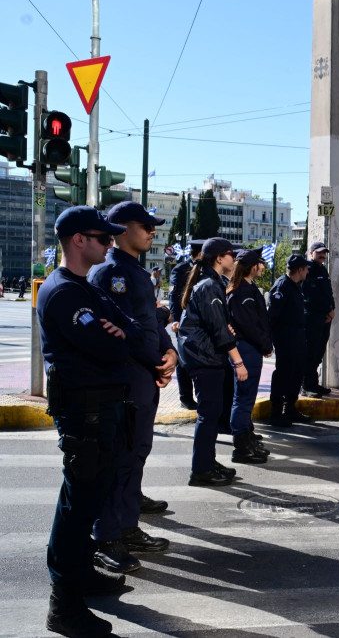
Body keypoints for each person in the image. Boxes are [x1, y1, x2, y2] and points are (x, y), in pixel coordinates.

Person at [39, 207, 156, 636]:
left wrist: (122, 335)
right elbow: (108, 349)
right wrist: (121, 339)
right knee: (79, 504)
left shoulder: (86, 287)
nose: (110, 245)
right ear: (77, 240)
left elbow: (132, 331)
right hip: (84, 411)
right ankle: (63, 604)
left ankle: (81, 576)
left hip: (103, 407)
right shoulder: (62, 292)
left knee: (91, 496)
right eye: (102, 238)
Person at [88, 201, 176, 574]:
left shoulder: (135, 271)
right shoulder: (111, 272)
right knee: (120, 459)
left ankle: (126, 525)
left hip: (144, 376)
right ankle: (108, 536)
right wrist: (155, 362)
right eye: (145, 226)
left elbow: (150, 321)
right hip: (127, 378)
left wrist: (169, 351)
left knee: (136, 452)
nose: (152, 231)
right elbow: (121, 332)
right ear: (122, 228)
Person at [177, 237, 245, 486]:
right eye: (231, 254)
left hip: (205, 356)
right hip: (204, 358)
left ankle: (207, 461)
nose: (234, 259)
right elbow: (219, 329)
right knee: (208, 414)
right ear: (219, 258)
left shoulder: (211, 283)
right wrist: (238, 362)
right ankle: (201, 470)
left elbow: (216, 323)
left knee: (212, 413)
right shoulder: (209, 286)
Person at [226, 249, 272, 464]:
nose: (262, 267)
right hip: (247, 349)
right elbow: (250, 326)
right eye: (259, 264)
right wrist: (265, 345)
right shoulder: (241, 292)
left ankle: (247, 439)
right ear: (251, 267)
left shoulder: (248, 288)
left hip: (251, 348)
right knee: (243, 399)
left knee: (247, 398)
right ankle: (241, 448)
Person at [268, 255, 311, 426]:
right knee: (284, 373)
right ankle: (276, 412)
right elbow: (272, 316)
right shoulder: (282, 286)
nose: (307, 271)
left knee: (297, 371)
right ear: (299, 270)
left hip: (298, 334)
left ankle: (290, 408)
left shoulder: (295, 286)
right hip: (285, 336)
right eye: (306, 268)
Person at [169, 239, 204, 411]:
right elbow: (174, 297)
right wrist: (176, 320)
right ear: (199, 253)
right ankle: (185, 397)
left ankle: (199, 395)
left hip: (200, 322)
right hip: (183, 321)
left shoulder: (205, 270)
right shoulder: (180, 269)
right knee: (183, 360)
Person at [301, 242, 335, 397]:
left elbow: (328, 293)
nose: (322, 255)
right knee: (310, 353)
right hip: (312, 317)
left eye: (324, 253)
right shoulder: (308, 269)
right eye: (319, 252)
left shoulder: (322, 269)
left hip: (324, 318)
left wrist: (331, 308)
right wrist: (327, 310)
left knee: (318, 353)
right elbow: (311, 295)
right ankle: (306, 386)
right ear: (311, 253)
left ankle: (314, 383)